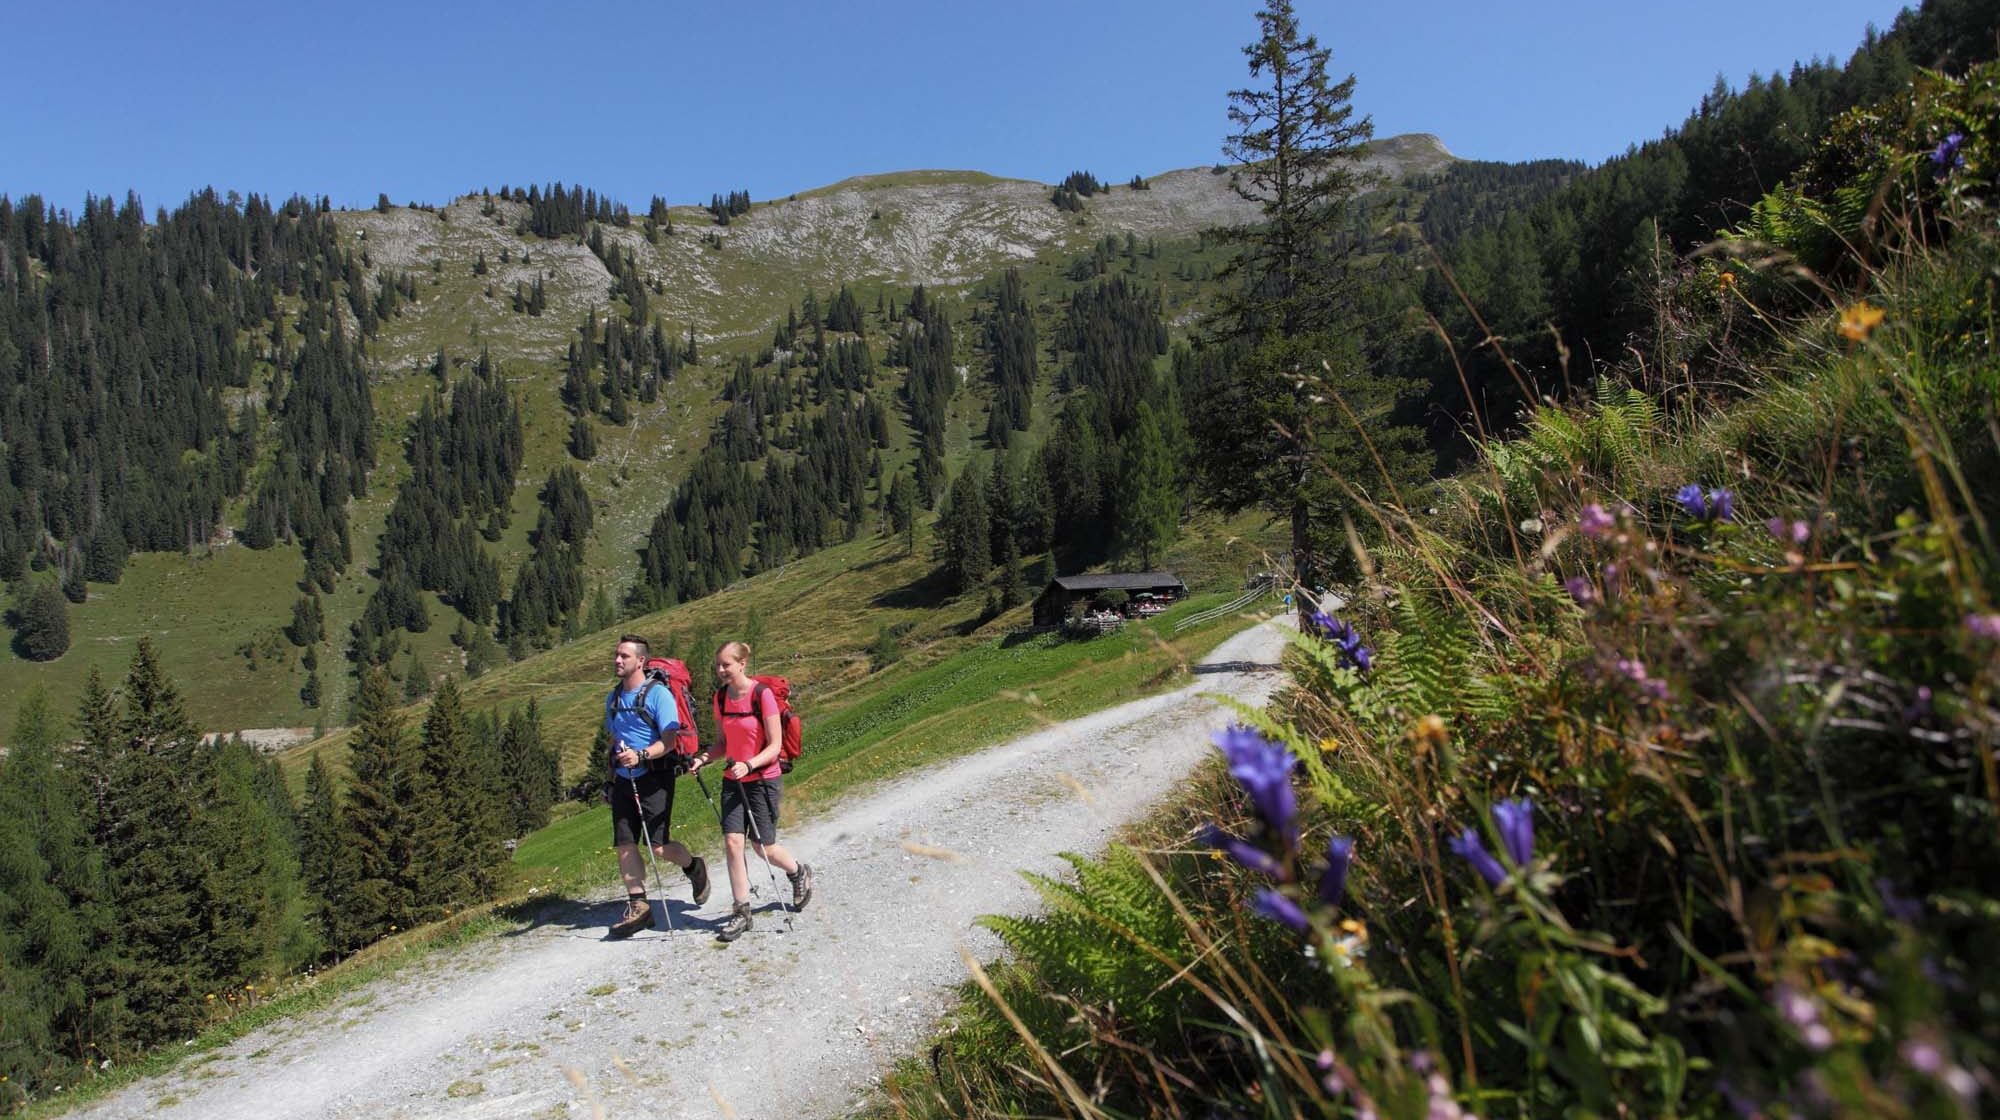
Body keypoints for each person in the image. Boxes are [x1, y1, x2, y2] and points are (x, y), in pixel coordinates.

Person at [687, 640, 814, 941]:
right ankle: (741, 911)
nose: (720, 670)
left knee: (763, 847)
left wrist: (750, 763)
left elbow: (775, 745)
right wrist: (703, 759)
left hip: (763, 779)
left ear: (742, 664)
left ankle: (798, 872)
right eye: (718, 665)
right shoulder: (720, 698)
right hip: (734, 779)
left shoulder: (762, 695)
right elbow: (723, 743)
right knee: (733, 842)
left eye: (726, 665)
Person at [604, 634, 710, 938]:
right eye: (616, 655)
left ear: (641, 661)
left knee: (659, 846)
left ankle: (694, 867)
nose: (618, 660)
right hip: (624, 779)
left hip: (654, 777)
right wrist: (609, 779)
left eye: (624, 656)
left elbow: (669, 740)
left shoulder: (658, 695)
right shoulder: (613, 698)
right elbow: (612, 741)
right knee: (625, 843)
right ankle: (639, 906)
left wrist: (640, 756)